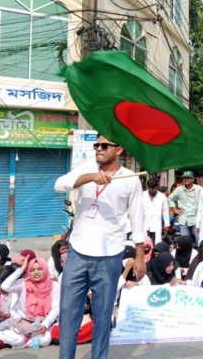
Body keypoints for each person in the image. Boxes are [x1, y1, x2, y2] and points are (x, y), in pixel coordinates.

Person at [54, 135, 145, 359]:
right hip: (78, 251)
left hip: (109, 255)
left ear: (119, 149)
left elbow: (137, 218)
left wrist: (140, 255)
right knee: (68, 313)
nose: (99, 149)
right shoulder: (86, 168)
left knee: (103, 316)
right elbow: (59, 185)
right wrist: (90, 177)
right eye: (97, 145)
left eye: (105, 146)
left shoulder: (130, 179)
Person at [0, 257, 60, 349]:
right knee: (22, 339)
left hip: (44, 322)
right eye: (32, 270)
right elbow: (5, 286)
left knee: (46, 339)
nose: (36, 272)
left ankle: (17, 342)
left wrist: (45, 324)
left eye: (40, 269)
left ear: (45, 269)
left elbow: (55, 308)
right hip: (24, 323)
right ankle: (5, 337)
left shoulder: (54, 286)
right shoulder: (23, 284)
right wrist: (21, 269)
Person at [168, 171, 202, 244]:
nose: (186, 179)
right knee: (185, 242)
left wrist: (201, 210)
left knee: (199, 239)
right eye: (185, 178)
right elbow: (170, 198)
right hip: (183, 218)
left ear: (193, 179)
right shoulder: (179, 189)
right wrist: (175, 209)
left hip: (195, 218)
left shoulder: (199, 189)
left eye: (188, 178)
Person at [142, 177, 170, 245]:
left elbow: (165, 211)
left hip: (156, 225)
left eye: (155, 188)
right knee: (145, 243)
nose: (154, 190)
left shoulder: (162, 197)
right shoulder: (142, 195)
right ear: (148, 187)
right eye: (152, 188)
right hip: (144, 223)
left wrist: (167, 224)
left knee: (156, 244)